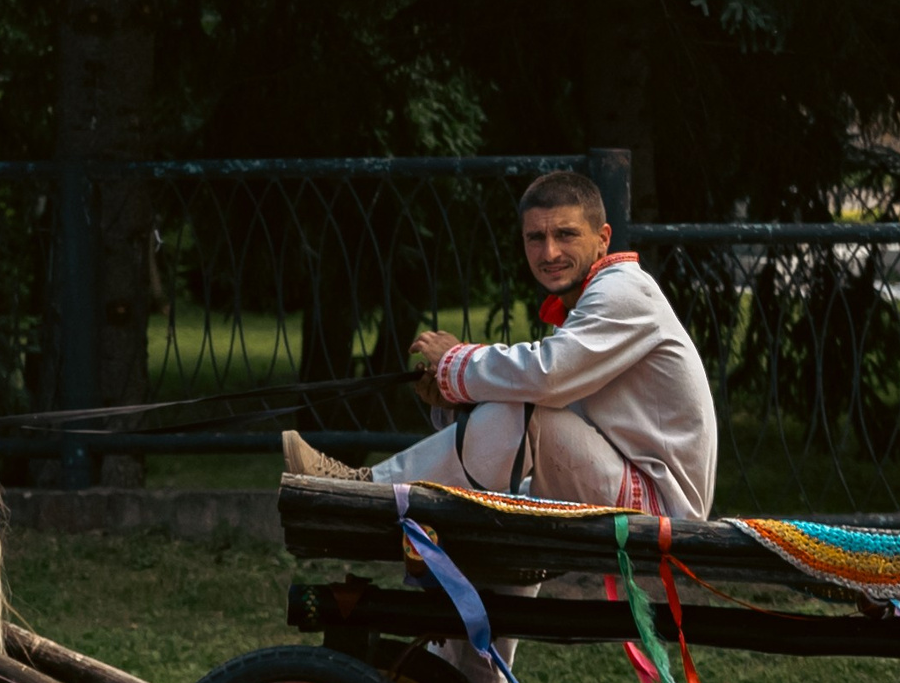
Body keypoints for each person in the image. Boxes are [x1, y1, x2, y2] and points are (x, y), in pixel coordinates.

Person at [282, 168, 717, 520]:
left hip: (661, 507)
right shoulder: (589, 301)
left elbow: (547, 376)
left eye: (566, 234)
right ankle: (462, 632)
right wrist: (458, 402)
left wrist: (454, 362)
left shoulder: (623, 290)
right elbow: (549, 397)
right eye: (535, 237)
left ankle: (369, 491)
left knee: (528, 407)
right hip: (623, 481)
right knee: (498, 501)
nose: (549, 252)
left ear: (603, 238)